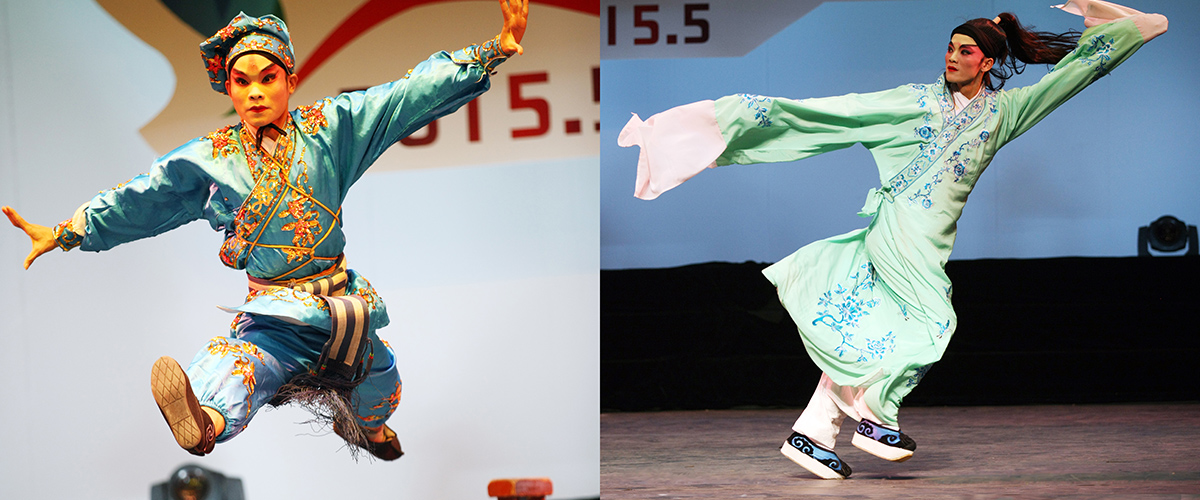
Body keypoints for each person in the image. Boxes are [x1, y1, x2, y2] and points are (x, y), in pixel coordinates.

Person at [617, 0, 1166, 480]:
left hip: (929, 238)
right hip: (898, 230)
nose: (952, 57)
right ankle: (878, 417)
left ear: (988, 63)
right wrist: (725, 121)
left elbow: (1067, 79)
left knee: (870, 332)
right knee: (934, 323)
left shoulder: (1004, 113)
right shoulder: (914, 100)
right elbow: (833, 114)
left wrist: (1132, 30)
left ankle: (813, 435)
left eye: (966, 51)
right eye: (949, 47)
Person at [3, 0, 528, 460]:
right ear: (229, 88)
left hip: (341, 309)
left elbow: (403, 97)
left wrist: (493, 50)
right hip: (276, 317)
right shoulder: (213, 159)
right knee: (240, 369)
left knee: (381, 377)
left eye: (267, 78)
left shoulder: (331, 130)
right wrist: (70, 230)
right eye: (242, 82)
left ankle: (368, 428)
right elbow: (147, 196)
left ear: (291, 81)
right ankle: (204, 425)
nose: (255, 92)